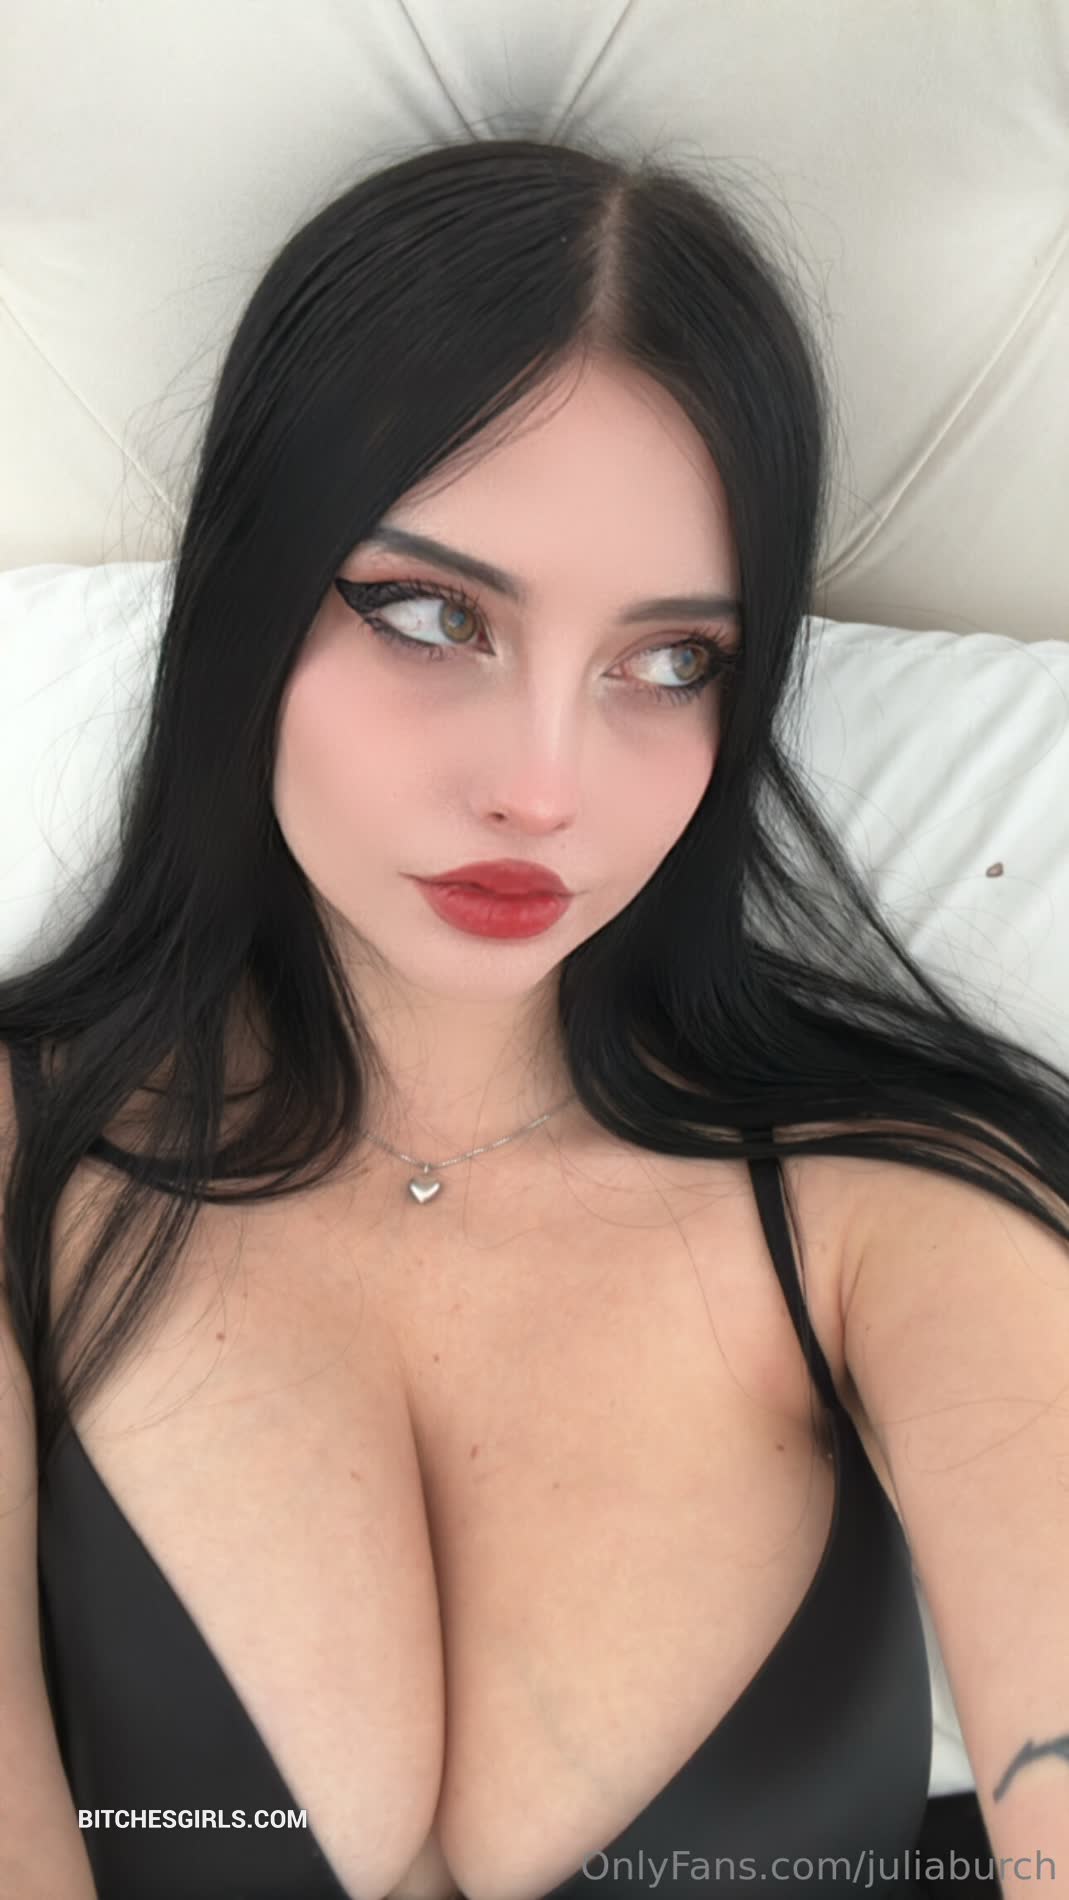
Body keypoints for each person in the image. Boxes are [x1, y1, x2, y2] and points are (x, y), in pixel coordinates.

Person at [1, 130, 1065, 1900]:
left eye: (670, 661)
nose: (545, 788)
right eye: (430, 614)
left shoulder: (897, 1218)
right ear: (251, 592)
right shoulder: (29, 1164)